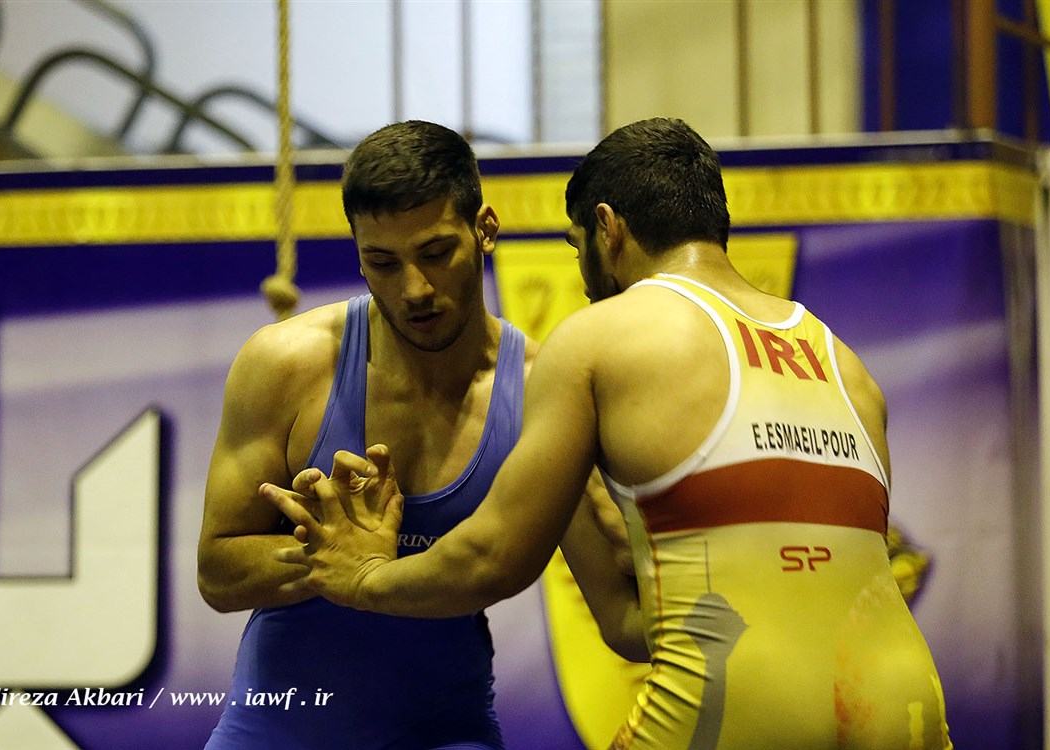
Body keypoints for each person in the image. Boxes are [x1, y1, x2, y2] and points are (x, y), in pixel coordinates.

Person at [265, 117, 954, 749]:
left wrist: (364, 577)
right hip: (902, 696)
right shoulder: (846, 364)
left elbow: (495, 557)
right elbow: (671, 611)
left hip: (737, 693)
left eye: (576, 249)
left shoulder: (601, 337)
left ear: (607, 228)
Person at [197, 120, 639, 750]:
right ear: (358, 254)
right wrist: (331, 558)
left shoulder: (543, 389)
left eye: (435, 253)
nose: (415, 290)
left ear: (485, 229)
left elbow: (623, 616)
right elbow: (217, 573)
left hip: (445, 734)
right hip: (272, 732)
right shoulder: (285, 365)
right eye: (382, 263)